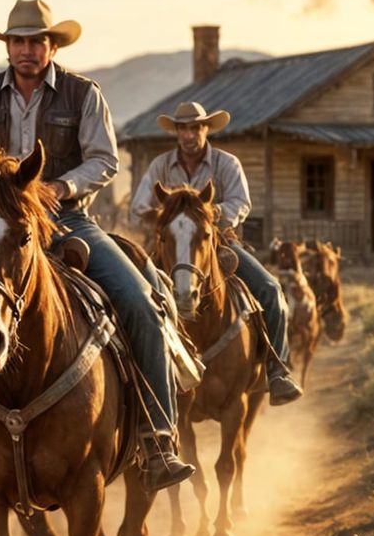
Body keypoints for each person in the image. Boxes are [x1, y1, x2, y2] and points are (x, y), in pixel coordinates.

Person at [0, 0, 196, 490]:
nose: (26, 50)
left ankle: (158, 437)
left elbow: (105, 160)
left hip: (67, 220)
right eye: (18, 41)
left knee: (139, 301)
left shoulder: (83, 95)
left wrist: (60, 187)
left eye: (36, 41)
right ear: (7, 47)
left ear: (53, 45)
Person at [129, 100, 303, 405]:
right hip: (168, 244)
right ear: (177, 132)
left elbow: (241, 203)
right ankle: (130, 373)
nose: (189, 134)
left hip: (218, 242)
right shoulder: (160, 166)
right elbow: (139, 206)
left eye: (195, 127)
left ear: (206, 129)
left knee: (270, 290)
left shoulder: (227, 164)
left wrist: (206, 214)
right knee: (131, 295)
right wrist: (169, 216)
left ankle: (277, 369)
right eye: (183, 128)